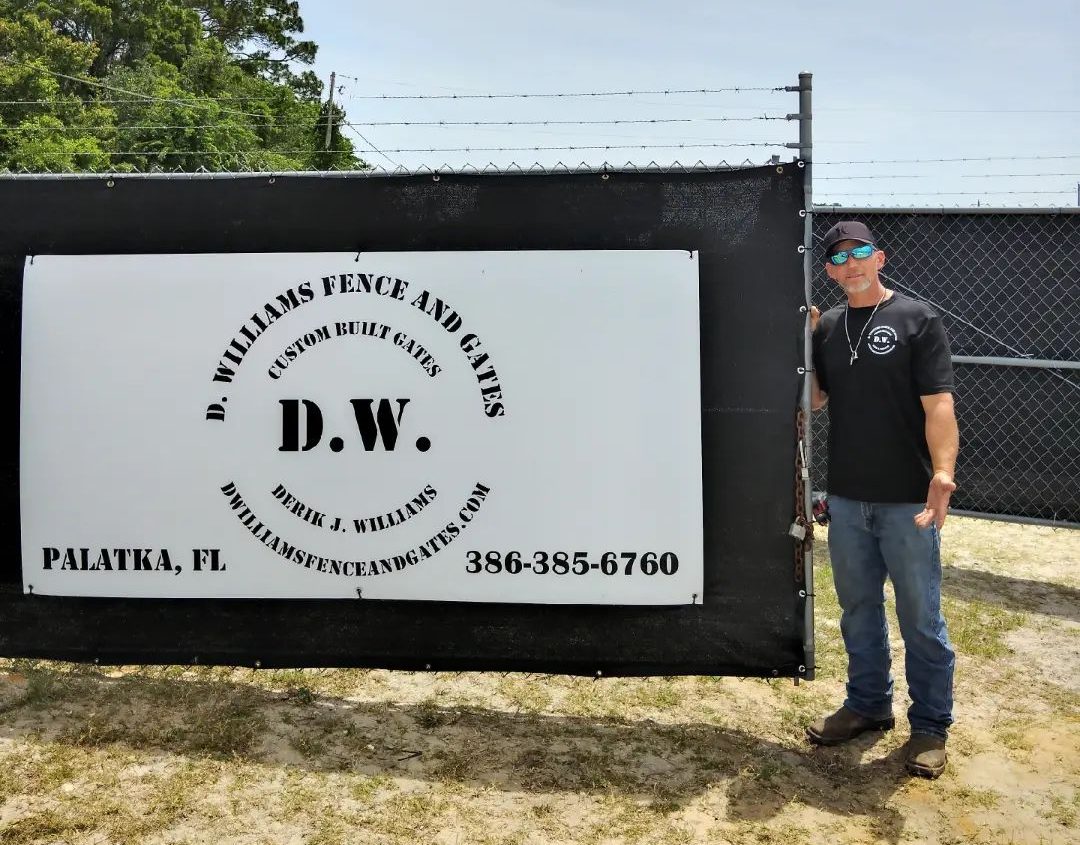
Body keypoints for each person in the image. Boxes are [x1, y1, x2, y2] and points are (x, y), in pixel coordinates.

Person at [806, 220, 959, 779]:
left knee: (920, 616)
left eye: (861, 253)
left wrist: (942, 473)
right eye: (840, 258)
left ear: (881, 258)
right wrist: (804, 339)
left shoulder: (917, 319)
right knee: (857, 610)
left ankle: (930, 726)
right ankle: (868, 705)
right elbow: (818, 401)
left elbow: (938, 404)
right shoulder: (828, 330)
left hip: (905, 501)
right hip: (846, 498)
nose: (852, 264)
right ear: (828, 270)